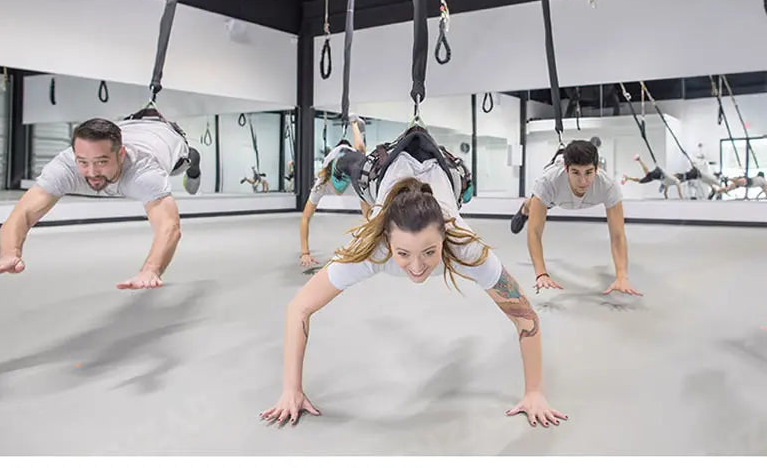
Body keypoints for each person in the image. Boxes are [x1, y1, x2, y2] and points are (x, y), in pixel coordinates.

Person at [262, 126, 567, 428]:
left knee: (465, 184)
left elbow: (525, 315)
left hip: (444, 170)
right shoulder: (371, 247)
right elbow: (298, 308)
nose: (418, 267)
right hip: (384, 171)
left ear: (445, 236)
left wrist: (535, 392)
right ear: (387, 241)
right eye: (403, 254)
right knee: (353, 166)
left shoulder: (464, 246)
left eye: (430, 252)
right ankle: (342, 159)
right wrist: (291, 390)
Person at [0, 112, 201, 290]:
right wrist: (9, 252)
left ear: (121, 154)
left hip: (170, 138)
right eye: (83, 161)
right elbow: (22, 214)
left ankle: (195, 164)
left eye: (102, 162)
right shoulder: (65, 167)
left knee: (187, 161)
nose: (91, 172)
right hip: (131, 125)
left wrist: (152, 270)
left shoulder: (144, 173)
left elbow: (169, 228)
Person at [510, 140, 641, 296]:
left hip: (561, 196)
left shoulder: (608, 186)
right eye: (575, 172)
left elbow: (618, 235)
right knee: (533, 205)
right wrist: (541, 273)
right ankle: (525, 208)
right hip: (554, 198)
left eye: (588, 172)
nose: (583, 181)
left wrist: (621, 276)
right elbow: (535, 232)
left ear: (597, 169)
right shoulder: (548, 183)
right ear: (566, 169)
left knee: (540, 203)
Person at [299, 115, 371, 269]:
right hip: (336, 157)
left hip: (350, 157)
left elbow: (367, 218)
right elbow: (305, 217)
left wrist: (365, 248)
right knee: (360, 151)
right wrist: (305, 252)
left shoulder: (356, 180)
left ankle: (356, 125)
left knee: (361, 153)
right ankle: (355, 125)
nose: (341, 191)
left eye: (344, 186)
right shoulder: (322, 182)